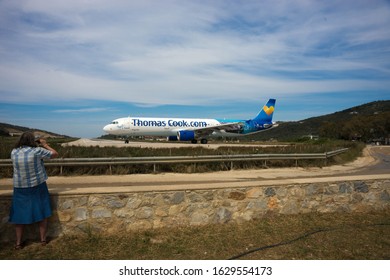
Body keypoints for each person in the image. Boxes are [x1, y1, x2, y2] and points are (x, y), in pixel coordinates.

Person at [9, 131, 58, 249]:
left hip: (20, 187)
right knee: (42, 212)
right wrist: (44, 144)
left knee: (19, 215)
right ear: (33, 141)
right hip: (37, 186)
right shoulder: (37, 151)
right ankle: (43, 240)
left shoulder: (14, 152)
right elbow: (54, 154)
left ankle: (18, 243)